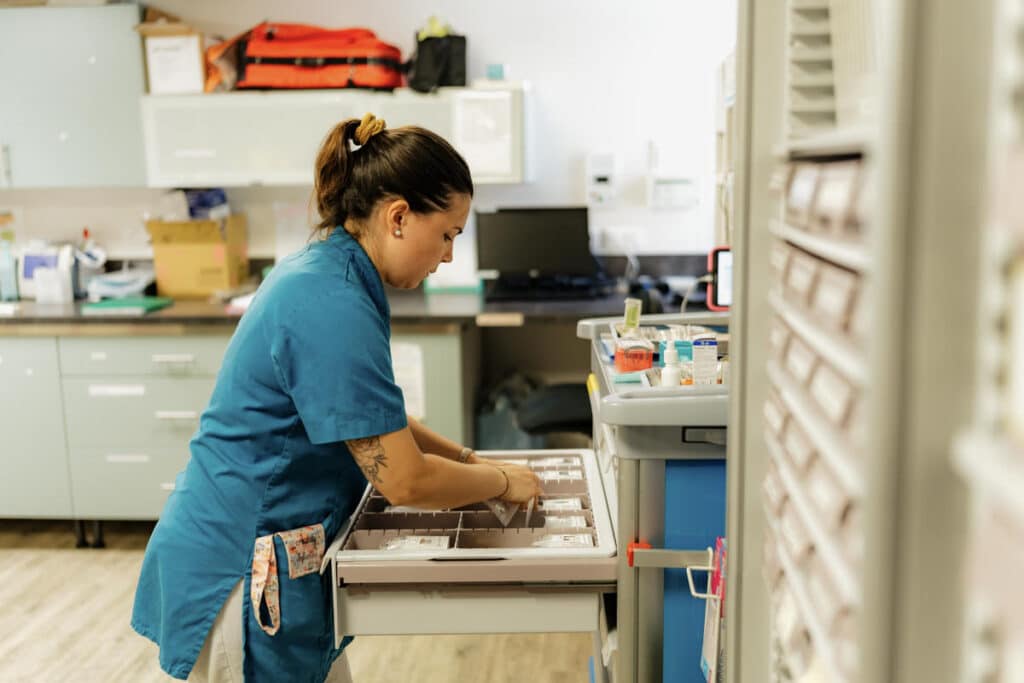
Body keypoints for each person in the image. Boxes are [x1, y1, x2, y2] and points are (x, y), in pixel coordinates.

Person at [131, 113, 544, 683]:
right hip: (237, 571)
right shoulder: (331, 300)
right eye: (447, 234)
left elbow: (375, 417)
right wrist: (501, 484)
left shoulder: (337, 269)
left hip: (277, 556)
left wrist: (472, 460)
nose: (448, 254)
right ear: (399, 217)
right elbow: (405, 480)